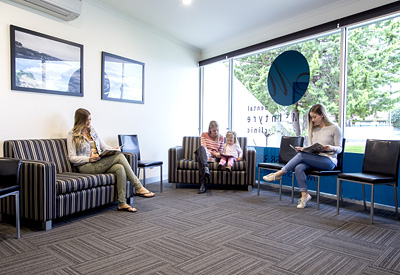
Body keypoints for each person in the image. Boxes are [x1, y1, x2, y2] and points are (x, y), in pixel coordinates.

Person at [67, 108, 155, 213]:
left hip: (98, 162)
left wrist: (113, 149)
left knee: (120, 167)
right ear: (80, 120)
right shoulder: (72, 134)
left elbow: (103, 146)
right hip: (85, 166)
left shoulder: (92, 130)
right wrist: (88, 158)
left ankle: (122, 203)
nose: (89, 122)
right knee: (120, 157)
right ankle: (138, 186)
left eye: (90, 119)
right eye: (87, 120)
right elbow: (71, 158)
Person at [263, 104, 342, 209]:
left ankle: (279, 173)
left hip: (328, 161)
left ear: (322, 115)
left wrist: (330, 148)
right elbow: (313, 147)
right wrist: (305, 149)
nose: (313, 120)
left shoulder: (334, 128)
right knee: (299, 167)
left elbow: (340, 148)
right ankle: (304, 196)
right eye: (311, 117)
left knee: (301, 156)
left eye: (314, 117)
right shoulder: (314, 130)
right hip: (316, 159)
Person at [195, 120, 224, 194]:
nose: (216, 132)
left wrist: (217, 154)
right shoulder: (204, 135)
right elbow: (204, 148)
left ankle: (203, 184)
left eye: (217, 130)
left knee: (199, 158)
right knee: (201, 149)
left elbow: (220, 151)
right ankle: (205, 167)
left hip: (213, 157)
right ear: (210, 129)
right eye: (214, 131)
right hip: (204, 155)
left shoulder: (221, 137)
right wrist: (214, 153)